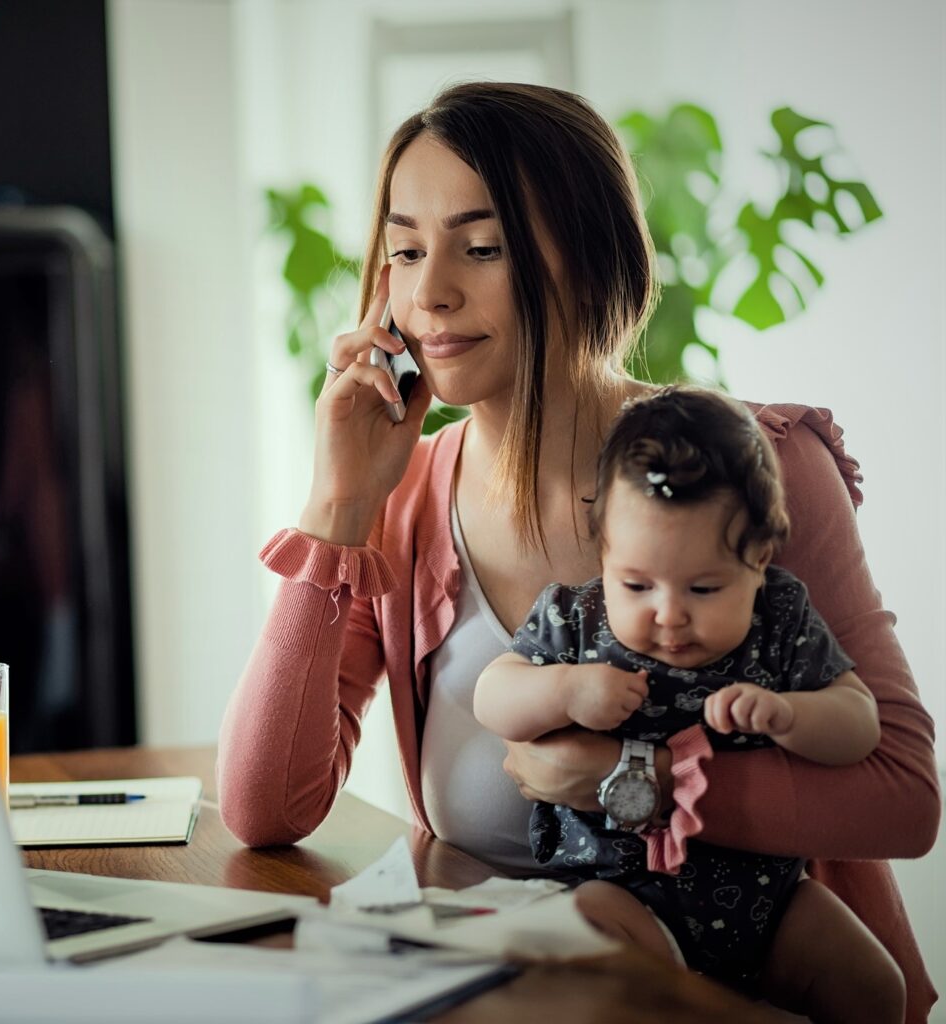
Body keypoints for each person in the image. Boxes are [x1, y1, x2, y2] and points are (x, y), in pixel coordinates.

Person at [214, 82, 938, 1023]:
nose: (430, 293)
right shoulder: (404, 503)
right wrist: (337, 502)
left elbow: (903, 799)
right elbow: (263, 810)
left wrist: (631, 781)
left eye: (482, 248)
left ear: (591, 264)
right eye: (405, 250)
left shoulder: (757, 467)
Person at [473, 387, 895, 1020]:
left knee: (876, 987)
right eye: (637, 584)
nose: (668, 614)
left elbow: (859, 725)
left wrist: (794, 716)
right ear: (604, 553)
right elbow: (492, 697)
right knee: (596, 945)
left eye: (703, 588)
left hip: (770, 902)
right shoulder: (577, 621)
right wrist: (565, 689)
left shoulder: (779, 620)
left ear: (759, 561)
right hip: (619, 891)